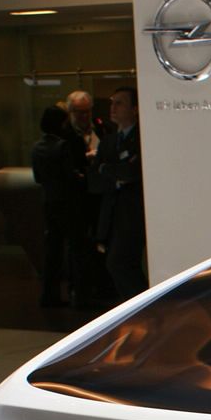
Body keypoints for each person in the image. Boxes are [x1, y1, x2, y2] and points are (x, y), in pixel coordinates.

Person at [90, 86, 145, 301]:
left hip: (134, 213)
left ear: (135, 109)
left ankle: (141, 306)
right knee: (117, 263)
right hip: (112, 214)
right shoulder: (109, 141)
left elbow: (133, 172)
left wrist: (108, 170)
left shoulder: (142, 139)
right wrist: (115, 174)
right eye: (112, 103)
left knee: (119, 262)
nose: (113, 108)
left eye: (120, 103)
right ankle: (137, 306)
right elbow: (94, 179)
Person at [61, 90, 105, 307]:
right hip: (76, 200)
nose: (84, 116)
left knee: (100, 243)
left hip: (100, 196)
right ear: (70, 112)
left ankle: (101, 286)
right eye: (79, 112)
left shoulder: (102, 129)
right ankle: (80, 291)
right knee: (78, 247)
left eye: (87, 111)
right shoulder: (64, 136)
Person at [30, 106, 74, 307]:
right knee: (72, 248)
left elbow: (37, 177)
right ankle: (75, 291)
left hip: (48, 201)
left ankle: (49, 294)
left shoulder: (37, 147)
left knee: (52, 250)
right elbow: (70, 176)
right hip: (66, 202)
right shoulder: (62, 146)